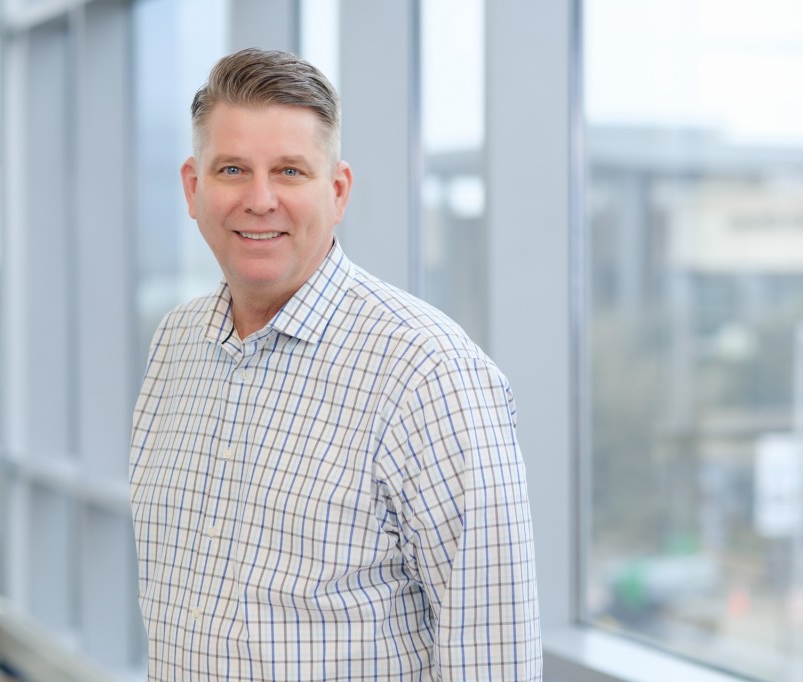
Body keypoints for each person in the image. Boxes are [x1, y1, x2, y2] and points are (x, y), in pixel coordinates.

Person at [129, 48, 541, 681]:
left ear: (338, 190)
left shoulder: (429, 374)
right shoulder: (176, 346)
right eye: (233, 168)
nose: (259, 199)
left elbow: (493, 659)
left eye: (290, 171)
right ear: (193, 187)